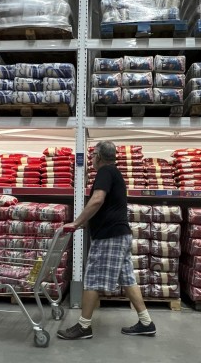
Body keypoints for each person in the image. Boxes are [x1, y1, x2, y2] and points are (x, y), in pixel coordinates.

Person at [57, 141, 156, 340]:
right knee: (127, 278)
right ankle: (146, 323)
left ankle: (84, 326)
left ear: (99, 157)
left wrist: (76, 223)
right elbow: (106, 206)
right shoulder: (114, 173)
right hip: (120, 234)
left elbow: (97, 200)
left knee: (92, 277)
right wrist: (88, 223)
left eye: (93, 156)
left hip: (110, 236)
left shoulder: (105, 172)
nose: (92, 159)